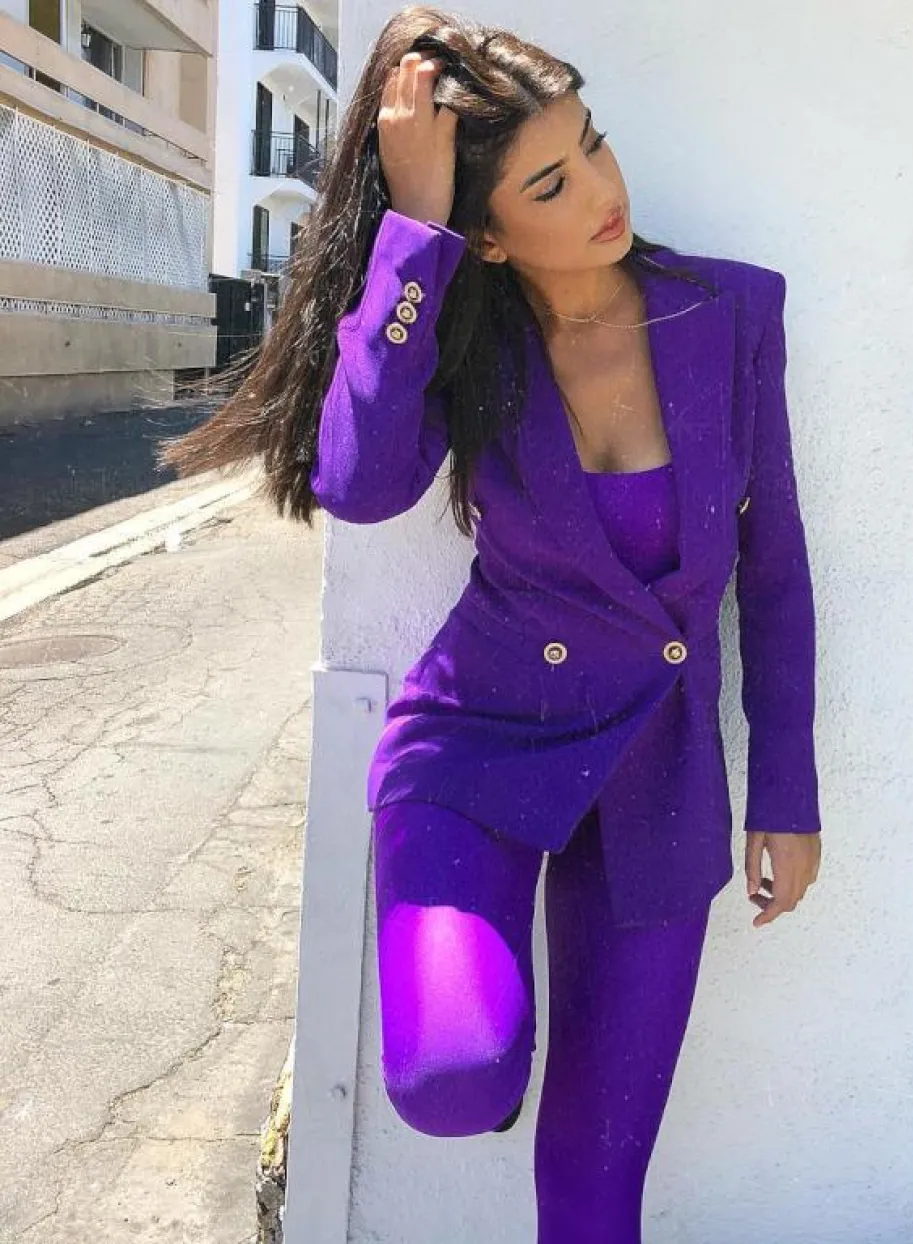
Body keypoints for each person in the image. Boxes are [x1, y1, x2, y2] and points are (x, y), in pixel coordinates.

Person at [158, 7, 822, 1240]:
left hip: (660, 776)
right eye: (552, 184)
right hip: (477, 750)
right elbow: (359, 485)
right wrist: (415, 237)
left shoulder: (728, 312)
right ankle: (488, 1038)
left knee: (595, 1187)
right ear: (494, 237)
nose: (603, 194)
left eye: (594, 144)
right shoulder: (470, 338)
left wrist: (787, 788)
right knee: (457, 1075)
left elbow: (773, 570)